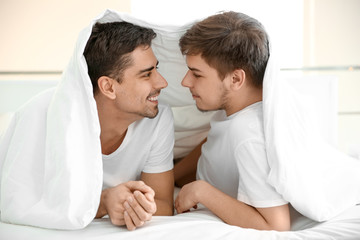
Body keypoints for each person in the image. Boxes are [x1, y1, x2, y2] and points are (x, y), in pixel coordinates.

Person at [174, 11, 290, 231]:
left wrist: (202, 191)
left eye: (196, 74)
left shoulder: (248, 135)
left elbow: (277, 226)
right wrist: (172, 176)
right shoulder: (234, 109)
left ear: (236, 79)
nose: (185, 82)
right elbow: (213, 143)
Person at [83, 21, 174, 230]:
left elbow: (163, 204)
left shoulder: (158, 119)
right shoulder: (65, 124)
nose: (162, 83)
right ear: (108, 87)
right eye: (146, 74)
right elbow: (39, 200)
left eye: (156, 69)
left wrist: (129, 204)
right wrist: (104, 202)